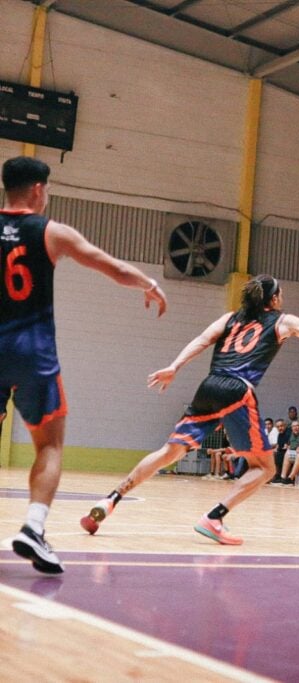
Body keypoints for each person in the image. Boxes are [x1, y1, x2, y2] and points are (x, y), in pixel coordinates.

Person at [0, 156, 168, 574]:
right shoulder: (51, 232)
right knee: (50, 444)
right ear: (38, 189)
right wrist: (149, 284)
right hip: (33, 352)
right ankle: (34, 527)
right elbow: (113, 268)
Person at [80, 275, 299, 544]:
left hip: (209, 385)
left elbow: (201, 340)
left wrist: (174, 367)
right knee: (265, 468)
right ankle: (214, 517)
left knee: (169, 452)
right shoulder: (283, 320)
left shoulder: (229, 318)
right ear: (273, 299)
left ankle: (111, 499)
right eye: (281, 293)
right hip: (237, 390)